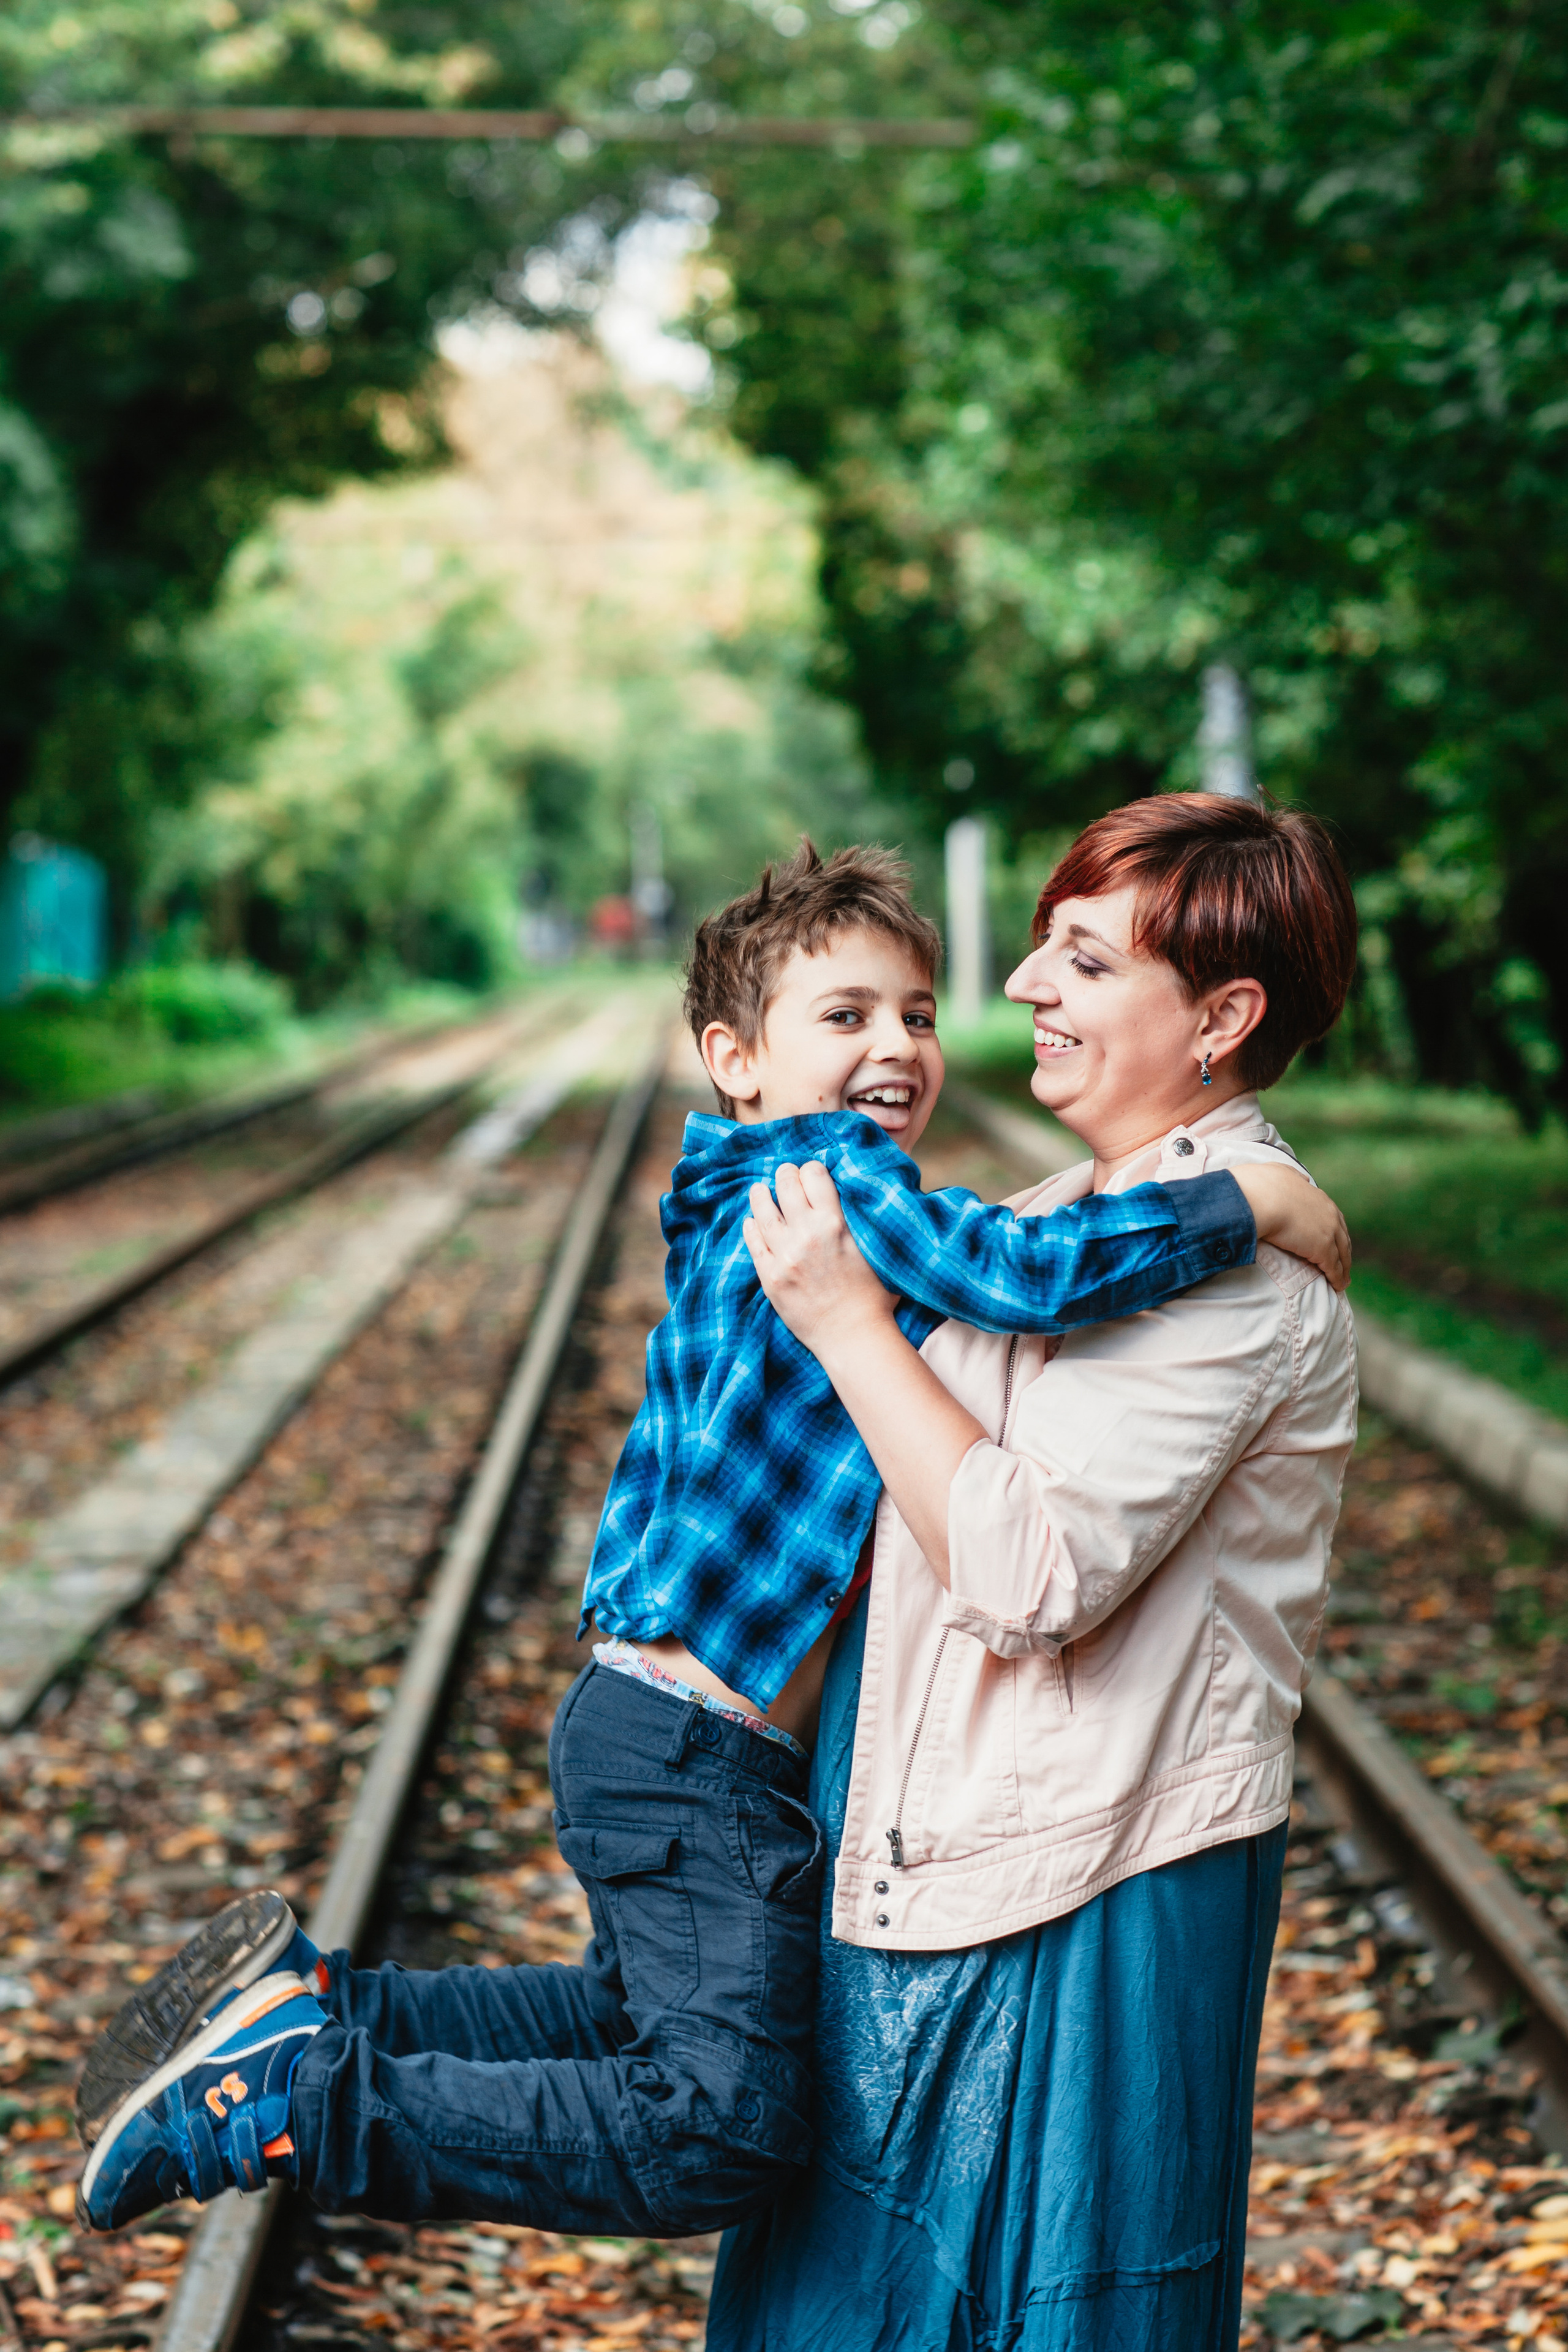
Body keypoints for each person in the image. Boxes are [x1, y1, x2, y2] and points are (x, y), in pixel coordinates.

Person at [74, 837, 1348, 2245]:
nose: (900, 1046)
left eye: (914, 1016)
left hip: (657, 1727)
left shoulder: (766, 1176)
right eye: (845, 1016)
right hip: (702, 1747)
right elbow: (1026, 1274)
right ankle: (286, 2101)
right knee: (719, 2129)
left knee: (631, 2015)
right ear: (733, 1057)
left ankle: (323, 2009)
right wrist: (1250, 1203)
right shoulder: (840, 1185)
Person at [709, 794, 1362, 2352]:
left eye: (1079, 959)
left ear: (1221, 1016)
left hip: (1083, 1897)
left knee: (1045, 2307)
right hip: (942, 1863)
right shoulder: (1078, 1220)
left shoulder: (1233, 1281)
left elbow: (1027, 1564)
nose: (1019, 989)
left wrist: (851, 1327)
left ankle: (316, 2075)